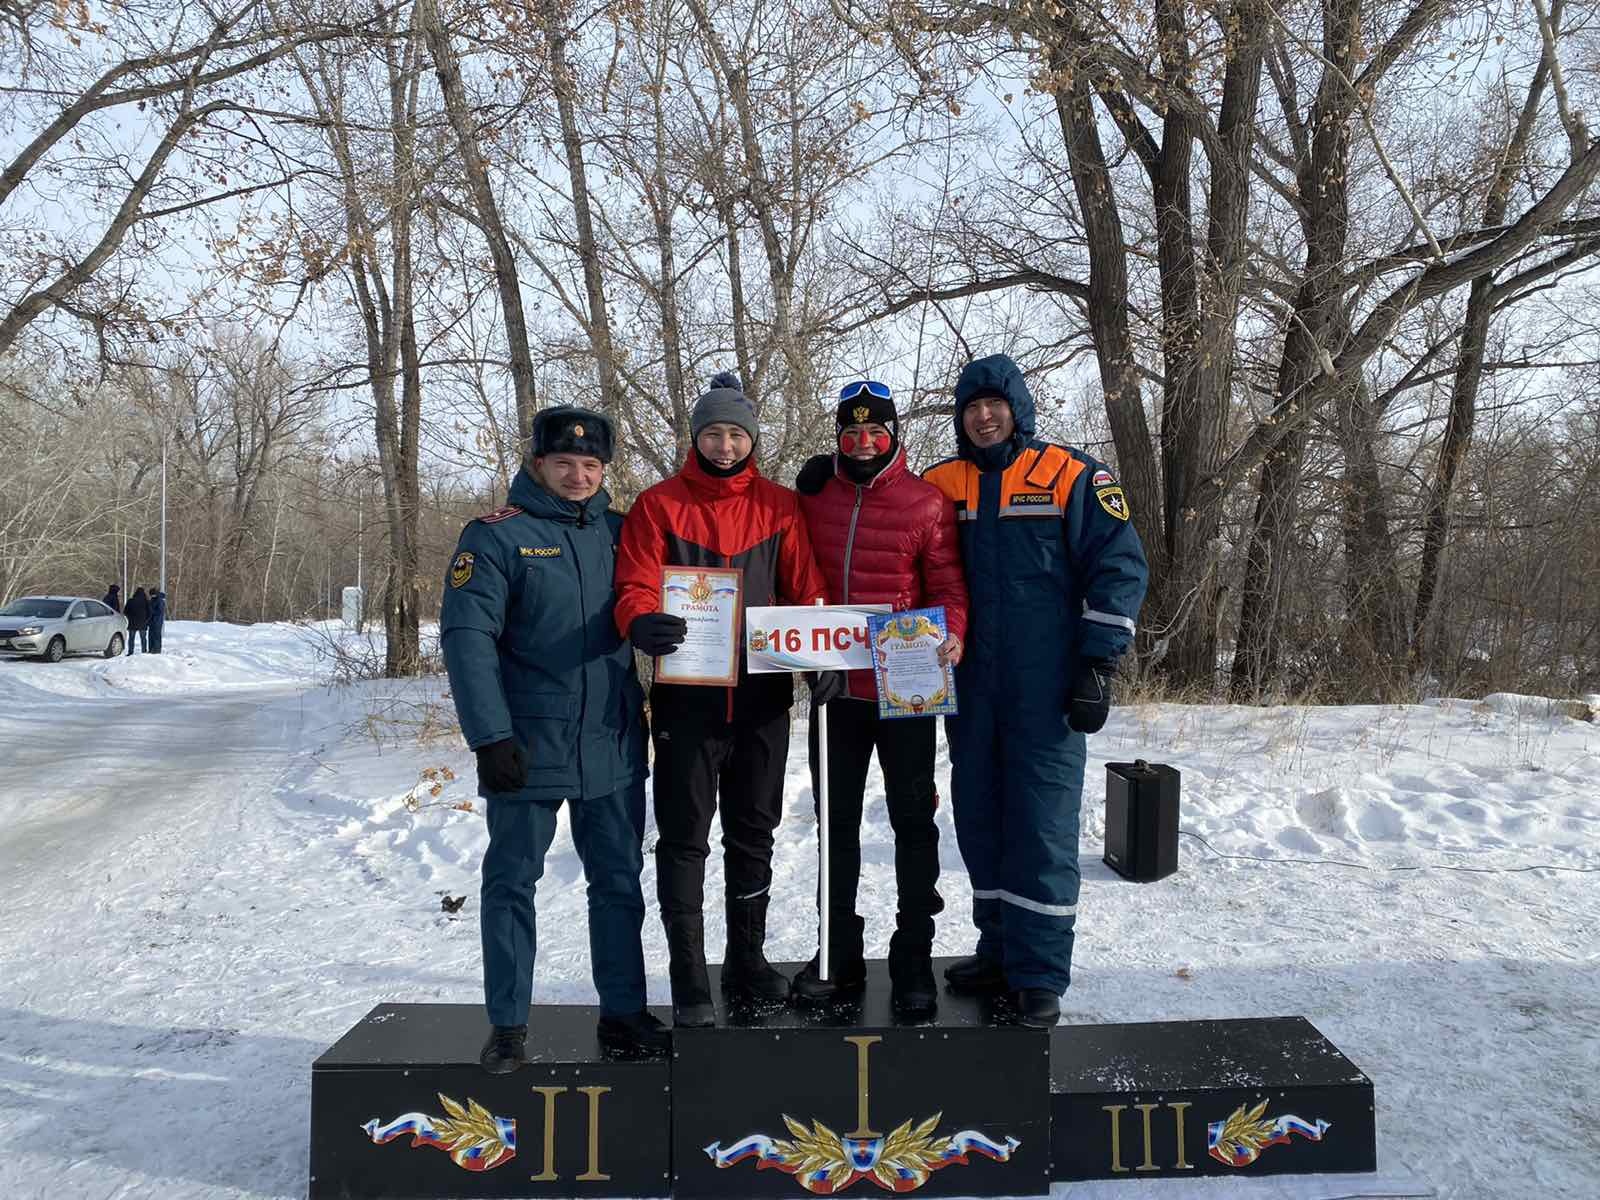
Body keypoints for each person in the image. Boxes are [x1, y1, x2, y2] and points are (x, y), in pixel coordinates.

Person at [441, 406, 668, 1072]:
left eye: (591, 465)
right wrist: (489, 736)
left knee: (619, 882)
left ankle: (624, 1013)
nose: (578, 475)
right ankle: (508, 1024)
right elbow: (467, 638)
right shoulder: (494, 537)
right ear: (538, 463)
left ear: (604, 471)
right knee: (511, 882)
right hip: (526, 745)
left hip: (612, 739)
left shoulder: (624, 533)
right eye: (565, 462)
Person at [924, 354, 1148, 1028]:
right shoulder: (941, 484)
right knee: (981, 818)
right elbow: (892, 531)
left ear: (1018, 407)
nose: (983, 416)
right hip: (967, 685)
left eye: (995, 403)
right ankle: (998, 949)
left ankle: (1040, 972)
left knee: (1042, 828)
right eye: (971, 407)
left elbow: (1119, 566)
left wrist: (1098, 665)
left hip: (1046, 688)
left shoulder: (1072, 474)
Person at [614, 371, 831, 1027]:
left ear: (753, 439)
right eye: (715, 432)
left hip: (764, 700)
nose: (727, 445)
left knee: (754, 833)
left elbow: (806, 591)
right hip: (687, 702)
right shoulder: (658, 506)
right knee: (684, 838)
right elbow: (635, 583)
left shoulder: (781, 507)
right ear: (696, 436)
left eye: (737, 433)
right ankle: (689, 978)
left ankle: (747, 959)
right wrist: (638, 621)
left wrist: (820, 652)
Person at [790, 379, 969, 1017]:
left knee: (913, 820)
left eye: (876, 431)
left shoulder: (926, 503)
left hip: (906, 685)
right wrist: (805, 657)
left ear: (893, 434)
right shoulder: (812, 497)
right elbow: (792, 573)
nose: (864, 442)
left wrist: (951, 634)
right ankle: (836, 949)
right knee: (835, 823)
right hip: (835, 687)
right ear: (838, 435)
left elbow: (947, 583)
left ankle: (914, 952)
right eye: (851, 431)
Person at [123, 586, 150, 654]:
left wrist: (130, 617)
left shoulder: (130, 601)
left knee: (131, 638)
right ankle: (144, 651)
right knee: (143, 638)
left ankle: (130, 652)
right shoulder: (146, 602)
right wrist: (146, 620)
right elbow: (150, 612)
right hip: (142, 623)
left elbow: (125, 611)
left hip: (132, 623)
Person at [147, 588, 167, 653]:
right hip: (152, 621)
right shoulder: (153, 599)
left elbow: (160, 611)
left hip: (157, 621)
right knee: (151, 636)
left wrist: (151, 611)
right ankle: (151, 649)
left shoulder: (160, 600)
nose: (151, 596)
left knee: (156, 636)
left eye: (152, 595)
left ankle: (157, 650)